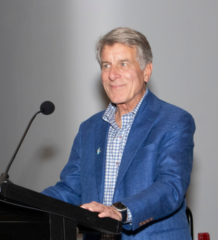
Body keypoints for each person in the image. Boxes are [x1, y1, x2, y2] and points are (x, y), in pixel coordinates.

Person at [42, 27, 195, 240]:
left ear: (146, 71)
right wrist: (22, 203)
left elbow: (170, 187)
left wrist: (120, 211)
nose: (113, 74)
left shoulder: (173, 120)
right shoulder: (89, 129)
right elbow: (70, 189)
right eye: (106, 65)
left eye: (123, 64)